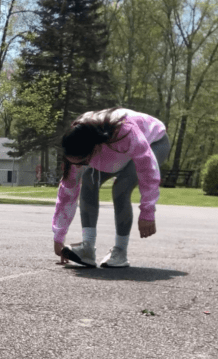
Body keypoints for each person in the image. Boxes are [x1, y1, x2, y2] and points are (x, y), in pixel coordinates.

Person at [53, 107, 170, 268]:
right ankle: (87, 248)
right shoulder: (77, 141)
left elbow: (148, 170)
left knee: (121, 187)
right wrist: (59, 238)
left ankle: (120, 251)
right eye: (74, 163)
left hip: (154, 141)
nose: (78, 166)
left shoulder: (124, 132)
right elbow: (67, 192)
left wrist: (147, 212)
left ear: (94, 149)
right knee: (88, 179)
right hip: (114, 150)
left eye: (82, 162)